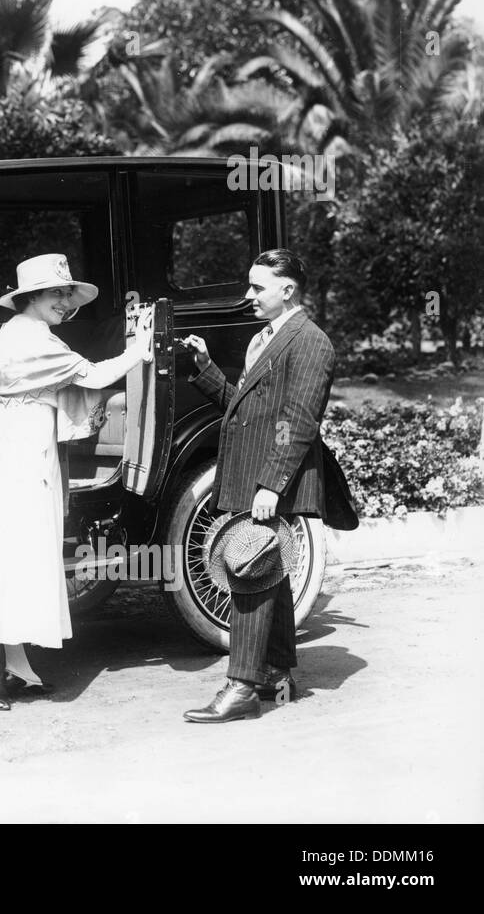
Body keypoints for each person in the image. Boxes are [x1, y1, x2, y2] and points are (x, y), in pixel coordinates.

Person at [0, 253, 153, 710]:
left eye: (67, 294)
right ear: (33, 297)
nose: (65, 303)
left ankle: (16, 663)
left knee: (22, 550)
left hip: (21, 444)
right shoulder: (32, 339)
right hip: (20, 450)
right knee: (11, 551)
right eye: (57, 294)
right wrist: (138, 351)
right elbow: (96, 375)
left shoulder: (23, 334)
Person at [179, 248, 336, 723]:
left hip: (270, 476)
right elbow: (245, 409)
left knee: (247, 567)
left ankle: (241, 687)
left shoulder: (310, 341)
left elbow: (297, 422)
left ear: (286, 290)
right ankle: (275, 674)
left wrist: (271, 484)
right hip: (253, 471)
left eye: (256, 287)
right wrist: (207, 369)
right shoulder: (266, 338)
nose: (248, 295)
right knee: (269, 569)